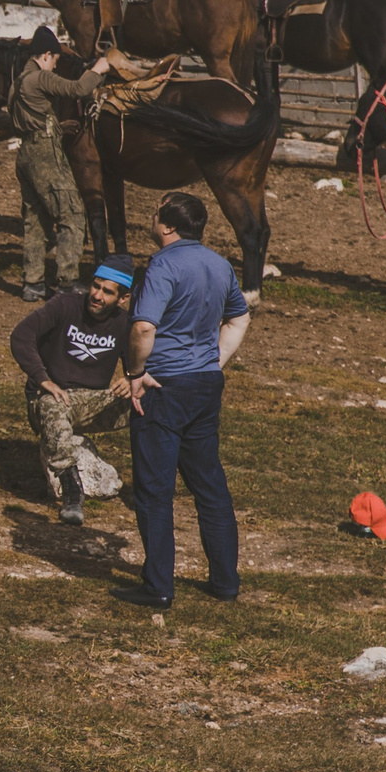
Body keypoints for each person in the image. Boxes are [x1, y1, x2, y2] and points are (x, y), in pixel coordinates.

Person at [120, 192, 251, 608]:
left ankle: (158, 585)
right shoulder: (219, 264)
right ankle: (225, 582)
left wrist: (136, 375)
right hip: (205, 385)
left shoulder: (163, 265)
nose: (150, 215)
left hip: (164, 387)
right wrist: (216, 359)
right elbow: (239, 315)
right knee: (209, 485)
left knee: (155, 490)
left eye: (155, 210)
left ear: (168, 225)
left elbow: (143, 328)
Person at [10, 254, 137, 526]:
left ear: (123, 299)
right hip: (51, 398)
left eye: (108, 292)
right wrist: (42, 379)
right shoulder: (64, 305)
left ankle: (146, 486)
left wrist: (131, 378)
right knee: (52, 404)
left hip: (93, 402)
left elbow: (141, 364)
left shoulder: (125, 324)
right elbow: (22, 336)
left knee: (150, 401)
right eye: (96, 286)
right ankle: (71, 489)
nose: (97, 295)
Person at [10, 40, 106, 302]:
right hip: (44, 154)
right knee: (72, 213)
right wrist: (99, 68)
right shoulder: (40, 77)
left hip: (27, 153)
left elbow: (25, 118)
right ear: (46, 54)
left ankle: (33, 282)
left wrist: (56, 126)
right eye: (55, 60)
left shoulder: (18, 82)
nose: (55, 66)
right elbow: (77, 88)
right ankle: (66, 281)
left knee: (36, 219)